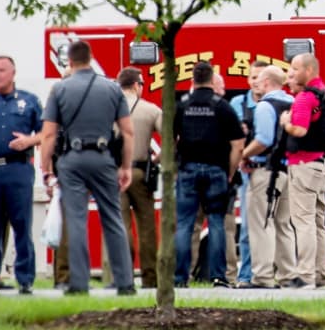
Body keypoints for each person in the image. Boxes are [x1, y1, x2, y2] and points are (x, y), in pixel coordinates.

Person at [38, 39, 137, 296]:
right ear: (91, 58)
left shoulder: (59, 90)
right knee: (113, 218)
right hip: (104, 159)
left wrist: (45, 167)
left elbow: (48, 134)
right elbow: (127, 131)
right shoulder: (112, 89)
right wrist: (125, 166)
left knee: (77, 219)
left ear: (69, 61)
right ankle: (125, 282)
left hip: (72, 160)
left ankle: (79, 284)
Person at [0, 55, 44, 295]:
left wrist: (29, 141)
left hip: (18, 169)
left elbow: (47, 133)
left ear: (13, 73)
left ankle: (24, 279)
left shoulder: (29, 101)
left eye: (2, 70)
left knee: (22, 224)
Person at [173, 60, 244, 288]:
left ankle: (180, 278)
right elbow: (238, 145)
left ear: (192, 79)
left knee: (184, 224)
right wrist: (230, 172)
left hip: (188, 169)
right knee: (216, 222)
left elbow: (171, 139)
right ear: (212, 79)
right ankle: (219, 277)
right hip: (216, 171)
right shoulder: (222, 107)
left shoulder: (182, 105)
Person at [283, 52, 325, 290]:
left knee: (304, 222)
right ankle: (323, 277)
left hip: (304, 165)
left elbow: (298, 130)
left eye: (295, 68)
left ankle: (306, 276)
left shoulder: (305, 98)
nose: (291, 73)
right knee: (319, 223)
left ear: (308, 71)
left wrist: (284, 122)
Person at [239, 65, 298, 288]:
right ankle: (288, 275)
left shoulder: (264, 106)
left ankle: (263, 277)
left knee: (262, 224)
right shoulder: (293, 103)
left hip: (266, 172)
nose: (255, 84)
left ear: (267, 83)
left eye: (259, 80)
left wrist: (243, 155)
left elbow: (263, 139)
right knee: (284, 224)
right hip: (289, 172)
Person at [113, 67, 162, 288]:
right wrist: (157, 159)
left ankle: (121, 278)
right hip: (142, 171)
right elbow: (172, 138)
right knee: (147, 228)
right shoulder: (150, 109)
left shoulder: (108, 109)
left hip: (114, 173)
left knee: (118, 225)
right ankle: (150, 279)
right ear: (136, 85)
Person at [229, 60, 271, 288]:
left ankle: (272, 273)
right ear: (248, 79)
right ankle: (245, 276)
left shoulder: (272, 103)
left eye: (260, 77)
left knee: (275, 225)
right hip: (247, 172)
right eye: (253, 77)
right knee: (246, 227)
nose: (256, 82)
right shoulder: (238, 103)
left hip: (271, 169)